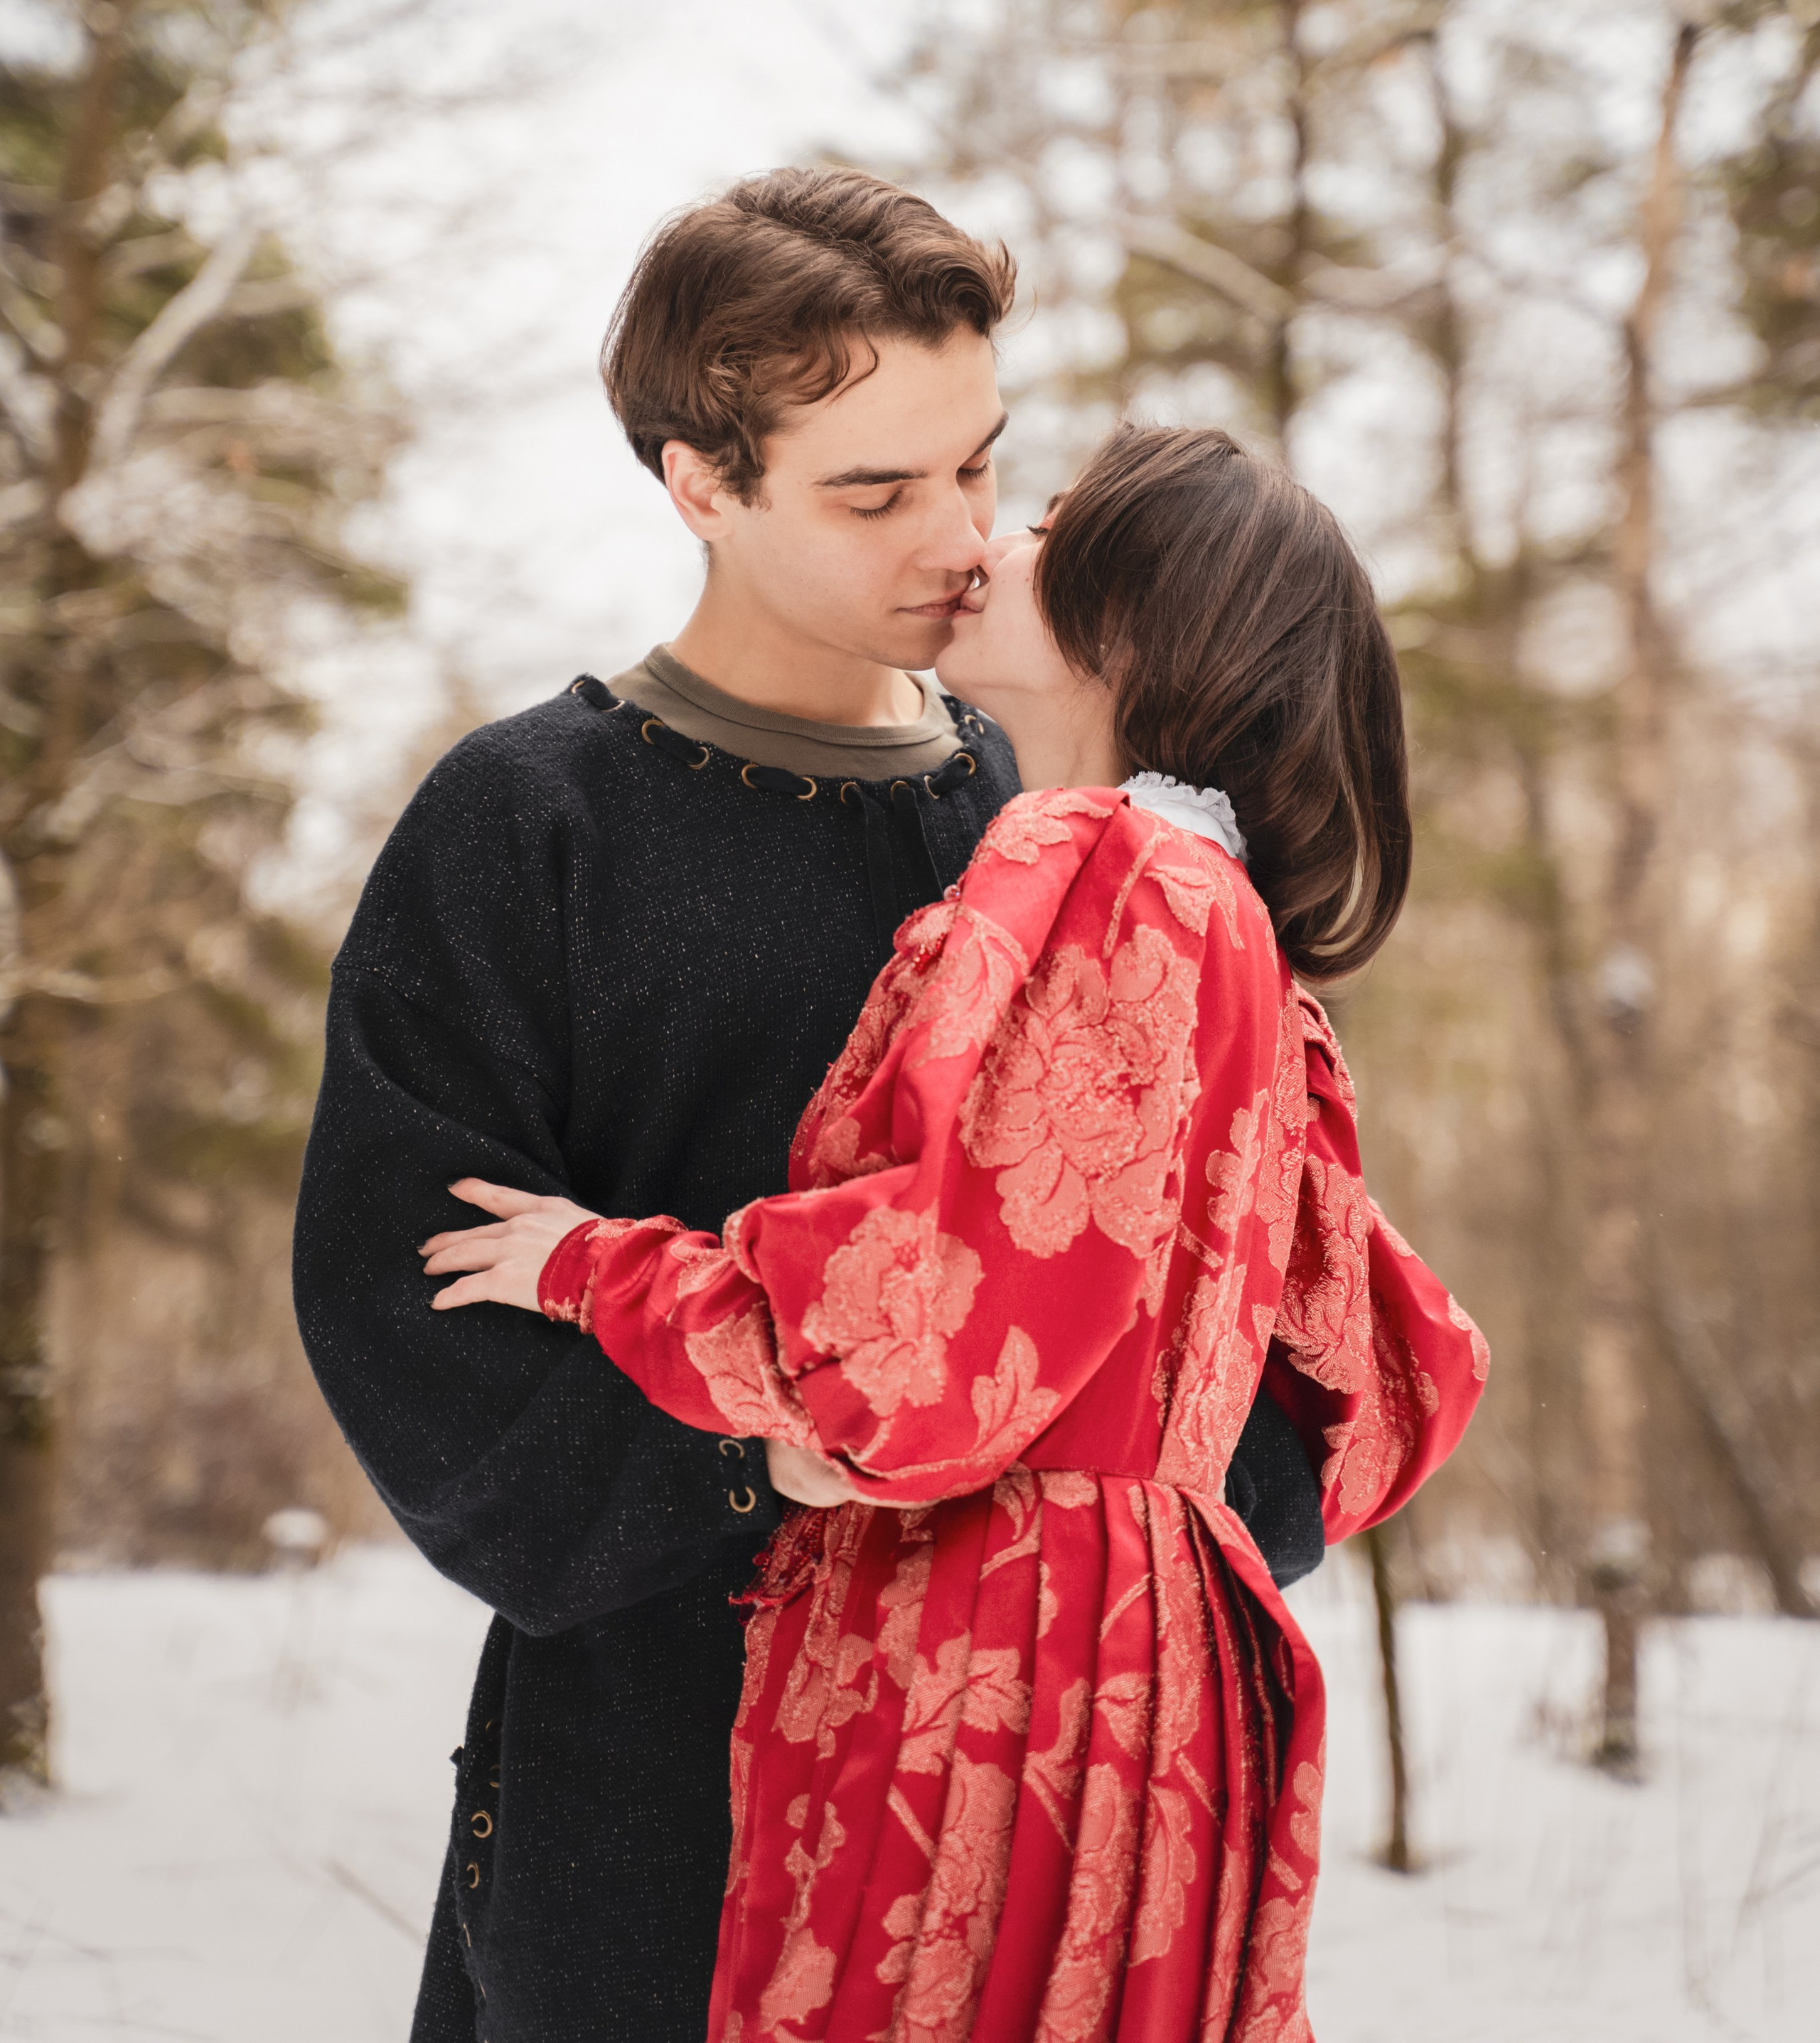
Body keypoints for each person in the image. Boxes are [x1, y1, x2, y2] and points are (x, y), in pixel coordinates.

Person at [292, 173, 1324, 2043]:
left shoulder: (1094, 834)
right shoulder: (532, 824)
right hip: (651, 1803)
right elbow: (404, 1299)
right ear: (704, 482)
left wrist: (1125, 1554)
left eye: (978, 469)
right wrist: (752, 1454)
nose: (959, 538)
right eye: (875, 493)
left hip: (1028, 1823)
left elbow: (1255, 1294)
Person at [423, 422, 1489, 2043]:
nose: (992, 539)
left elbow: (925, 1345)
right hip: (1157, 1674)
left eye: (1052, 521)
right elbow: (1383, 1363)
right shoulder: (1238, 934)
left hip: (993, 1646)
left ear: (1138, 622)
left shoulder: (1096, 862)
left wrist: (598, 1267)